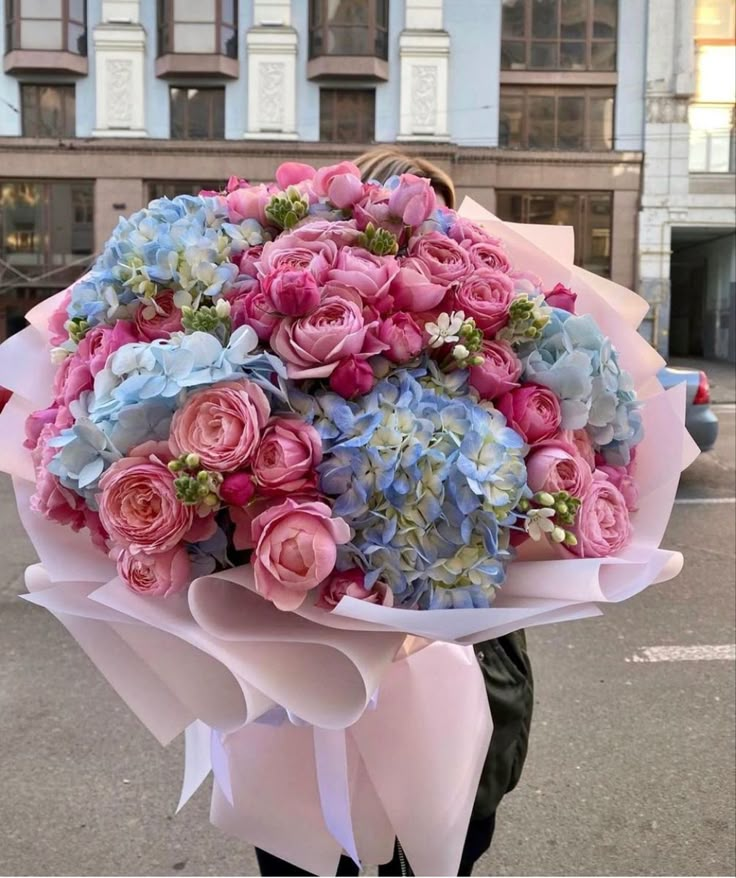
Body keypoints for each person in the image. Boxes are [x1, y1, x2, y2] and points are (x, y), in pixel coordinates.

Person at [255, 149, 535, 877]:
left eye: (443, 221)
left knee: (447, 848)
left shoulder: (493, 358)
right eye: (404, 212)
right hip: (316, 702)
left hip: (462, 692)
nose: (427, 238)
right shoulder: (286, 371)